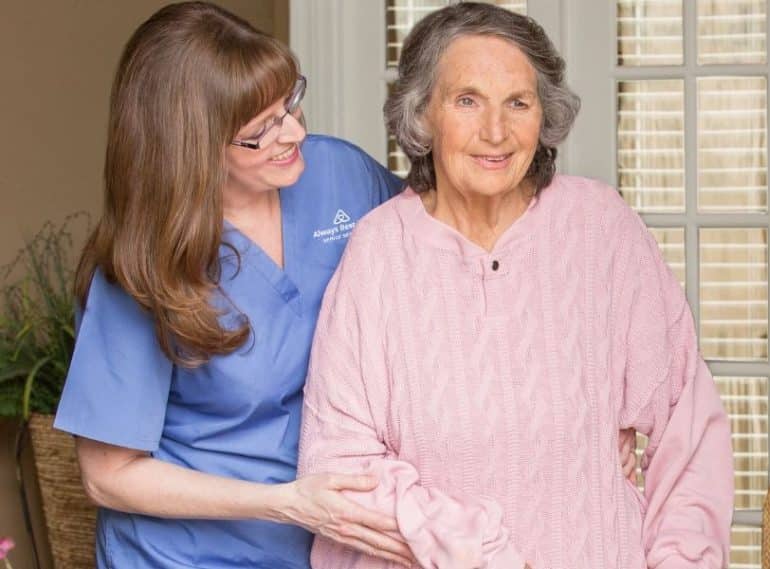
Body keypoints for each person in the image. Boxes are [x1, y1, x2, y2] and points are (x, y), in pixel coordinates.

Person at [297, 3, 735, 569]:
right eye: (467, 101)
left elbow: (687, 425)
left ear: (542, 113)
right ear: (423, 115)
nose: (496, 132)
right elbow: (339, 465)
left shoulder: (600, 227)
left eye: (518, 103)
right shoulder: (379, 253)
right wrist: (477, 548)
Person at [53, 3, 415, 567]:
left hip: (323, 544)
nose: (293, 131)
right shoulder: (141, 267)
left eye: (289, 102)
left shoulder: (340, 175)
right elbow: (109, 477)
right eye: (258, 131)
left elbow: (447, 256)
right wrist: (287, 504)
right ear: (189, 147)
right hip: (186, 555)